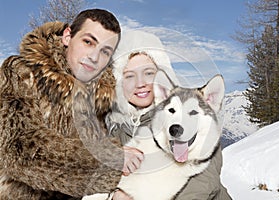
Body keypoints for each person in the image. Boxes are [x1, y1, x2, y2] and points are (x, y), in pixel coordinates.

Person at [0, 9, 142, 200]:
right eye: (88, 42)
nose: (94, 56)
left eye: (105, 51)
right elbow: (18, 149)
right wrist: (109, 159)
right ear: (67, 36)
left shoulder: (100, 98)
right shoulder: (20, 71)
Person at [105, 30, 232, 199]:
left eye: (149, 73)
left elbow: (200, 185)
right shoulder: (114, 133)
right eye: (129, 76)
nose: (141, 83)